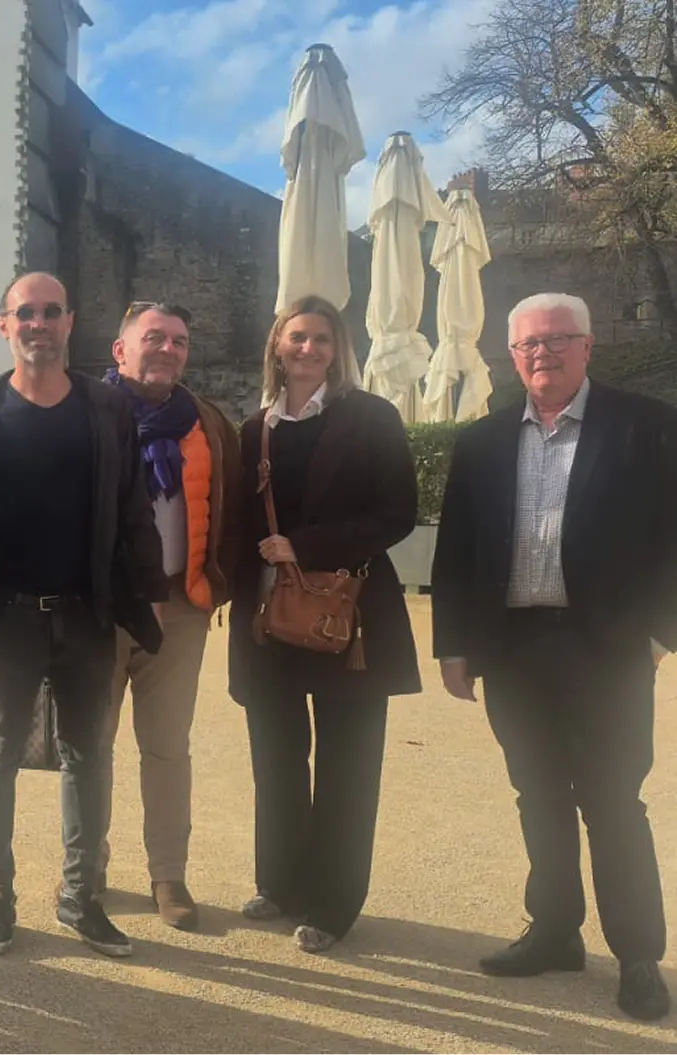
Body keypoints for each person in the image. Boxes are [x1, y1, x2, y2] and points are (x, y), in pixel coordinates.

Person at [433, 292, 677, 1020]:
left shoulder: (647, 427)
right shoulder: (480, 442)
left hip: (606, 649)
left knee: (610, 802)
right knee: (535, 795)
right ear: (511, 356)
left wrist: (660, 630)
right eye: (528, 344)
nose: (542, 353)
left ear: (586, 345)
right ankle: (553, 931)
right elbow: (455, 551)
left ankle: (637, 956)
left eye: (557, 339)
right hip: (512, 649)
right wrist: (453, 644)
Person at [0, 271, 166, 960]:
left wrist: (144, 593)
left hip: (86, 616)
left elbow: (132, 509)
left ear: (70, 322)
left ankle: (81, 897)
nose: (37, 322)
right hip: (4, 617)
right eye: (24, 312)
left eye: (50, 311)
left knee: (88, 756)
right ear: (4, 324)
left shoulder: (104, 409)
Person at [227, 295, 420, 955]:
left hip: (351, 616)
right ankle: (279, 881)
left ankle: (332, 902)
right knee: (274, 758)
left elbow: (395, 513)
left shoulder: (371, 417)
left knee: (347, 763)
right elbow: (239, 527)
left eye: (320, 338)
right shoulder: (254, 429)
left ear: (337, 348)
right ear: (276, 345)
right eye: (296, 336)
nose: (307, 348)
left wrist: (303, 546)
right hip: (268, 618)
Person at [94, 301, 242, 932]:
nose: (168, 349)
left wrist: (223, 579)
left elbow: (236, 500)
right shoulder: (85, 413)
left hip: (182, 609)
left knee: (166, 748)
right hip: (102, 611)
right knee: (90, 747)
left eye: (179, 341)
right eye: (153, 337)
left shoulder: (206, 421)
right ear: (120, 349)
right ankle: (86, 870)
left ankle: (167, 875)